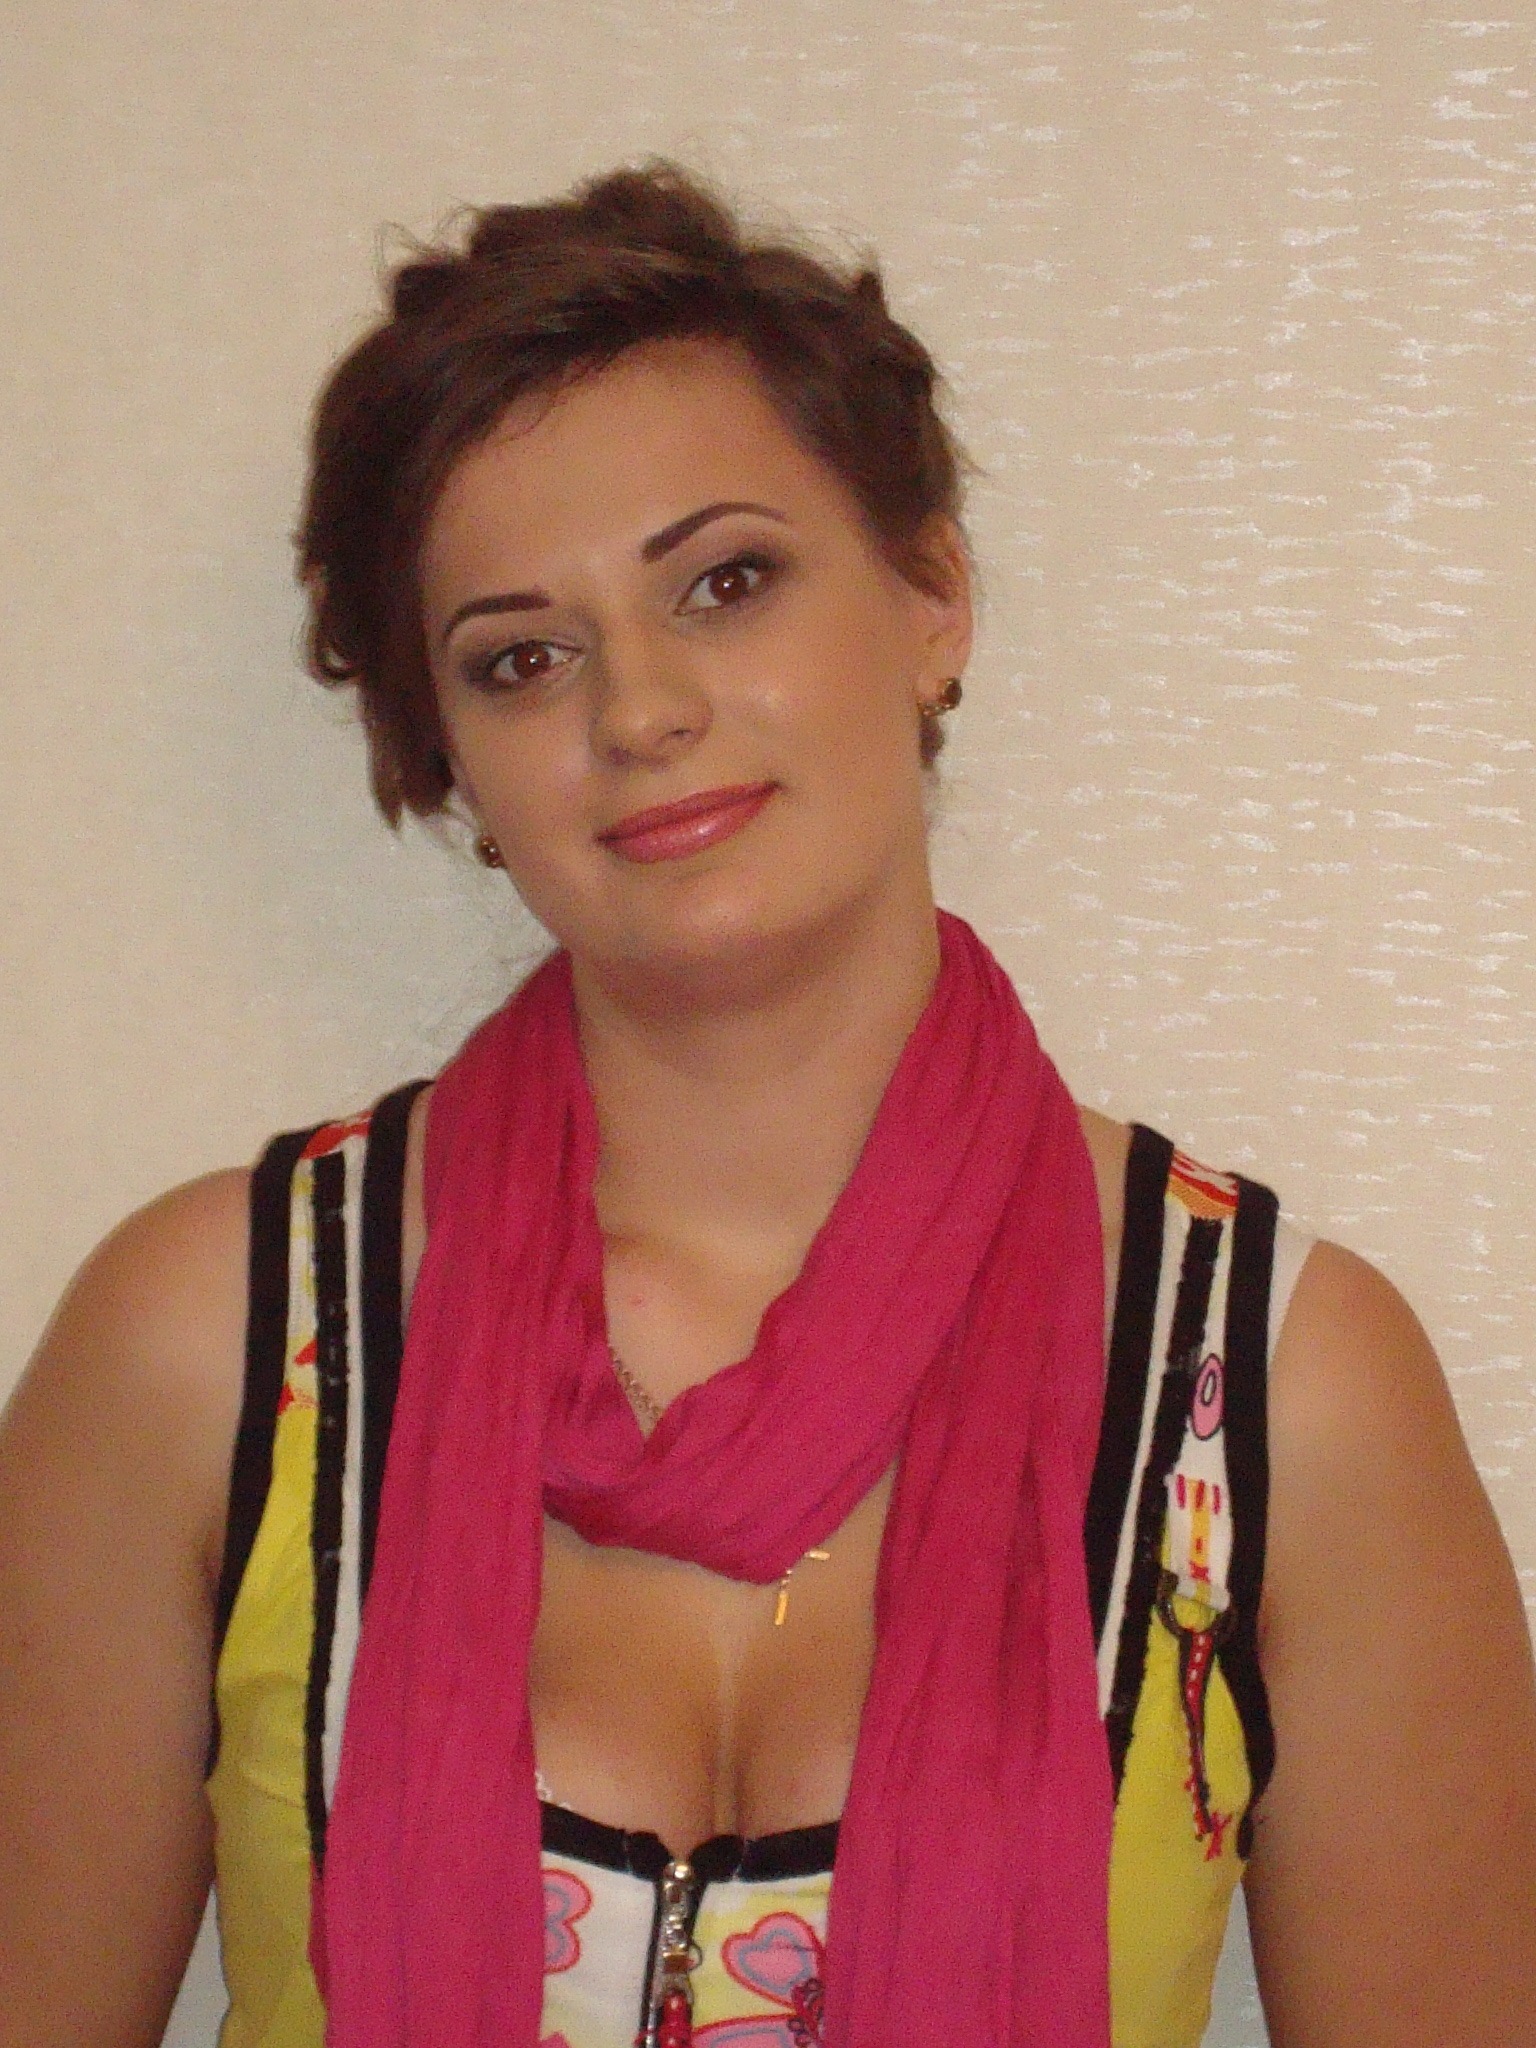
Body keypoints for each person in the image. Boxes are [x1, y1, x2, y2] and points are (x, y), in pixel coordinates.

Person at [1, 162, 1533, 2048]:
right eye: (523, 656)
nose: (639, 709)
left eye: (726, 583)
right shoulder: (210, 1347)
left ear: (934, 600)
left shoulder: (1284, 1392)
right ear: (452, 761)